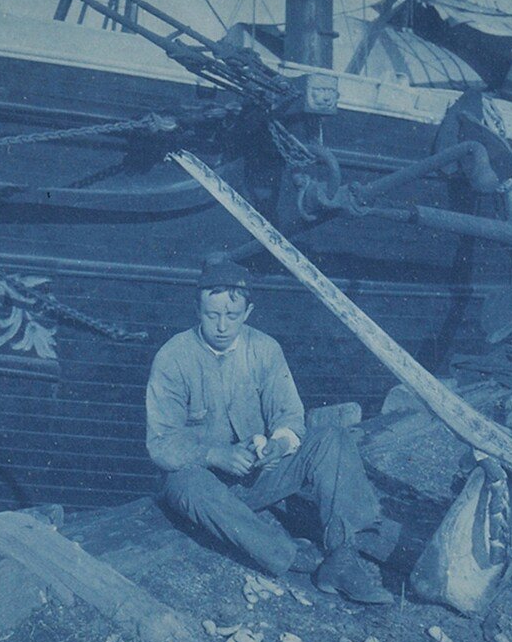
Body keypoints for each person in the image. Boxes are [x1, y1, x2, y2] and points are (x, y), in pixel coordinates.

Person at [145, 257, 396, 604]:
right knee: (185, 483)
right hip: (206, 484)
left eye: (232, 316)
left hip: (259, 477)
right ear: (196, 310)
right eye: (211, 315)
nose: (221, 326)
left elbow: (290, 416)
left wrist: (278, 445)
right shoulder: (173, 358)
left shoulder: (264, 349)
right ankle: (289, 556)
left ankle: (342, 557)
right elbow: (160, 444)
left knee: (332, 440)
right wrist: (216, 455)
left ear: (247, 313)